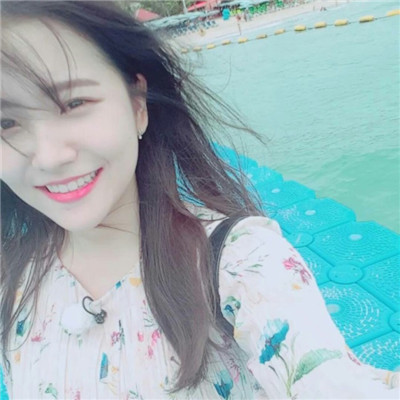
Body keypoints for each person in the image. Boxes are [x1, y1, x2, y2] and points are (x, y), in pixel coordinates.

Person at [0, 1, 398, 399]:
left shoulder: (240, 263)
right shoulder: (11, 279)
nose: (48, 157)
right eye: (7, 122)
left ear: (137, 105)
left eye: (74, 104)